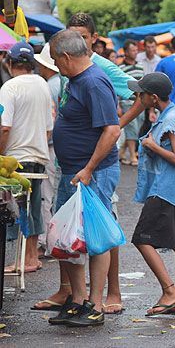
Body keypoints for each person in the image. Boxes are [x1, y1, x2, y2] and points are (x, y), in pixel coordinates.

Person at [47, 30, 121, 326]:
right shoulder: (75, 81)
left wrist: (89, 168)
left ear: (66, 57)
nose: (55, 65)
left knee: (94, 236)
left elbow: (111, 130)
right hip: (73, 172)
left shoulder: (94, 81)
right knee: (67, 236)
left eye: (55, 60)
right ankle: (77, 300)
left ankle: (96, 304)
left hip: (92, 173)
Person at [129, 73, 175, 316]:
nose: (138, 97)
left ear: (153, 98)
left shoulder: (171, 120)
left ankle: (170, 291)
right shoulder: (171, 116)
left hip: (164, 190)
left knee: (141, 239)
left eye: (141, 94)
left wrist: (153, 146)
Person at [0, 42, 53, 272]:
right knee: (32, 207)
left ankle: (24, 259)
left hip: (16, 159)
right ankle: (31, 257)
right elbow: (49, 128)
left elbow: (4, 127)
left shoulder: (9, 87)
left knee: (15, 209)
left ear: (10, 63)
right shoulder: (43, 84)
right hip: (39, 157)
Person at [34, 43, 62, 256]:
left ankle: (46, 239)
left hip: (50, 148)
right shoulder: (57, 83)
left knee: (46, 195)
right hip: (58, 147)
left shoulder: (50, 86)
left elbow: (50, 124)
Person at [119, 39, 145, 166]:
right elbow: (117, 87)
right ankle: (132, 156)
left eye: (136, 50)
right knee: (131, 127)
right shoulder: (120, 68)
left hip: (141, 103)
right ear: (126, 52)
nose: (135, 52)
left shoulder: (141, 66)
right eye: (132, 50)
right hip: (126, 102)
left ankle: (122, 152)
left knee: (137, 129)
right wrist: (118, 104)